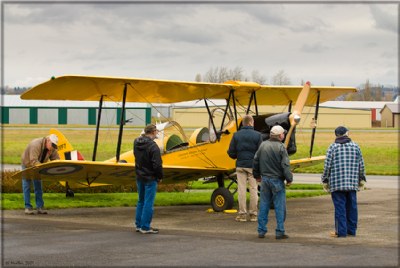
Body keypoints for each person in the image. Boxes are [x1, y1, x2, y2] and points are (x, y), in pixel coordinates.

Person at [321, 126, 366, 238]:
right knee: (352, 207)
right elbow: (361, 165)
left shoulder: (332, 147)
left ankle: (341, 232)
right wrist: (362, 178)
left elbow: (327, 166)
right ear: (347, 133)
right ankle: (352, 231)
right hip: (352, 183)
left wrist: (325, 179)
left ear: (336, 135)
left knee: (340, 208)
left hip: (337, 183)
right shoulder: (355, 146)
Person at [253, 125, 292, 239]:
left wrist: (257, 176)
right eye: (283, 134)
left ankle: (261, 230)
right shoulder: (281, 147)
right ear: (280, 135)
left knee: (264, 205)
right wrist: (289, 179)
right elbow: (285, 166)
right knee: (279, 207)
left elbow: (255, 161)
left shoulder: (263, 145)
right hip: (277, 180)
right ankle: (280, 231)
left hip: (264, 179)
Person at [227, 114, 262, 222]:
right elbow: (261, 152)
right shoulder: (258, 135)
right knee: (253, 190)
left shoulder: (236, 135)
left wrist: (238, 156)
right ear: (251, 123)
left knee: (241, 190)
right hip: (253, 166)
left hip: (240, 165)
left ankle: (242, 214)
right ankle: (253, 214)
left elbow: (231, 152)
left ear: (243, 123)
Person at [134, 124, 163, 234]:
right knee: (148, 203)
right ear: (153, 132)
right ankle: (145, 227)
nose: (157, 133)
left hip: (139, 176)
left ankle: (138, 224)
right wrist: (160, 176)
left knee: (141, 201)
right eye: (156, 131)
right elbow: (157, 165)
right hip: (150, 178)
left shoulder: (136, 142)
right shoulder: (153, 146)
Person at [21, 134, 60, 215]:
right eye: (52, 145)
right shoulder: (36, 144)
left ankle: (40, 207)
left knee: (38, 185)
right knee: (27, 184)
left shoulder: (52, 148)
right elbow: (33, 161)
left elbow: (56, 160)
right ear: (48, 140)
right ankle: (28, 207)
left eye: (54, 146)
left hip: (39, 165)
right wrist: (43, 169)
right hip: (28, 163)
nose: (53, 147)